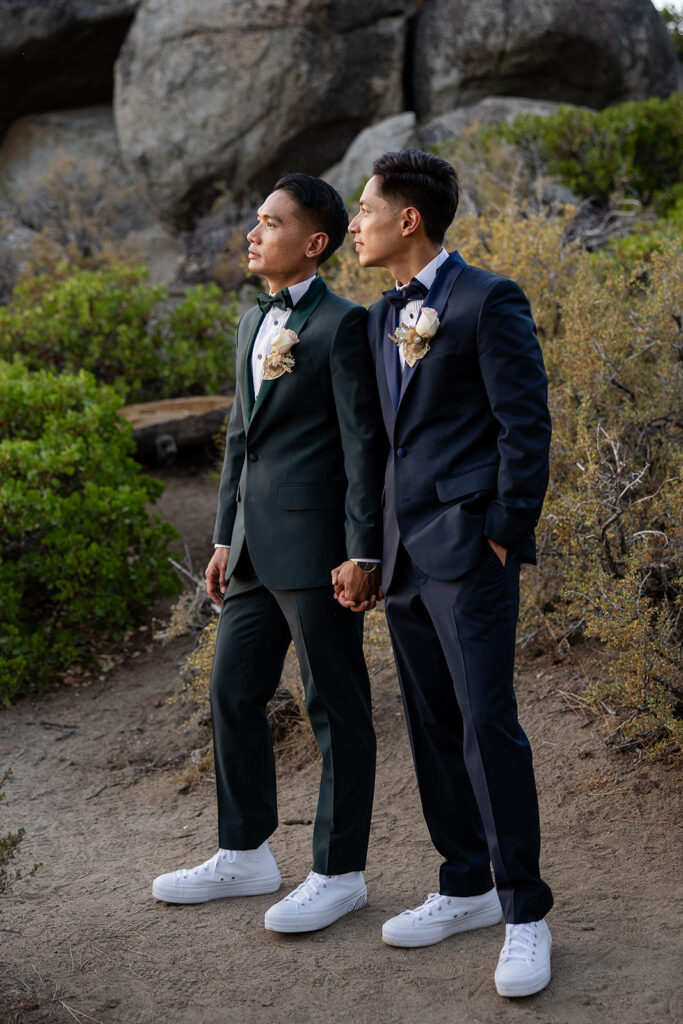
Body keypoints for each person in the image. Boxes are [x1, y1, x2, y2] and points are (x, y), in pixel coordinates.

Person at [342, 149, 554, 997]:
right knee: (431, 724)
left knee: (484, 725)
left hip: (468, 552)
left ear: (408, 220)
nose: (353, 223)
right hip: (401, 559)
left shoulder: (486, 298)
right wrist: (367, 549)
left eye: (364, 208)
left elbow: (524, 422)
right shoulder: (376, 317)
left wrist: (502, 532)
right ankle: (463, 882)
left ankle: (526, 913)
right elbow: (380, 447)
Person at [152, 173, 386, 934]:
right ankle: (246, 852)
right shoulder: (253, 321)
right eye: (254, 221)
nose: (252, 233)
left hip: (320, 553)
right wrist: (224, 536)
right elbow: (240, 440)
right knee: (231, 694)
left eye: (269, 222)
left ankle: (339, 871)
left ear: (313, 243)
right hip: (251, 552)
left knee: (334, 706)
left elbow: (363, 448)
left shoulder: (344, 325)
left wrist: (363, 551)